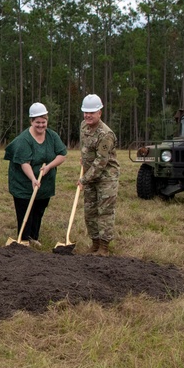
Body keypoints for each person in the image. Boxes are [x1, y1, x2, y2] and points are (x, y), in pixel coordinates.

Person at [3, 102, 67, 248]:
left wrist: (49, 166)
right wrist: (33, 178)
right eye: (37, 122)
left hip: (45, 181)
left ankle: (34, 237)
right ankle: (23, 239)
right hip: (23, 182)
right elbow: (24, 162)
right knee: (25, 209)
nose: (41, 125)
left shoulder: (52, 136)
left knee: (39, 209)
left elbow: (62, 155)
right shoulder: (23, 140)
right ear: (31, 121)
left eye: (43, 122)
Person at [78, 94, 120, 255]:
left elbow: (101, 162)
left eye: (92, 112)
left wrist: (84, 179)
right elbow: (85, 146)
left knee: (104, 211)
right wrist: (83, 158)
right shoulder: (84, 126)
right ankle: (94, 243)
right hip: (89, 174)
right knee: (90, 211)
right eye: (85, 112)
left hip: (106, 178)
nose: (88, 115)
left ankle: (104, 247)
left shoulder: (105, 134)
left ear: (99, 113)